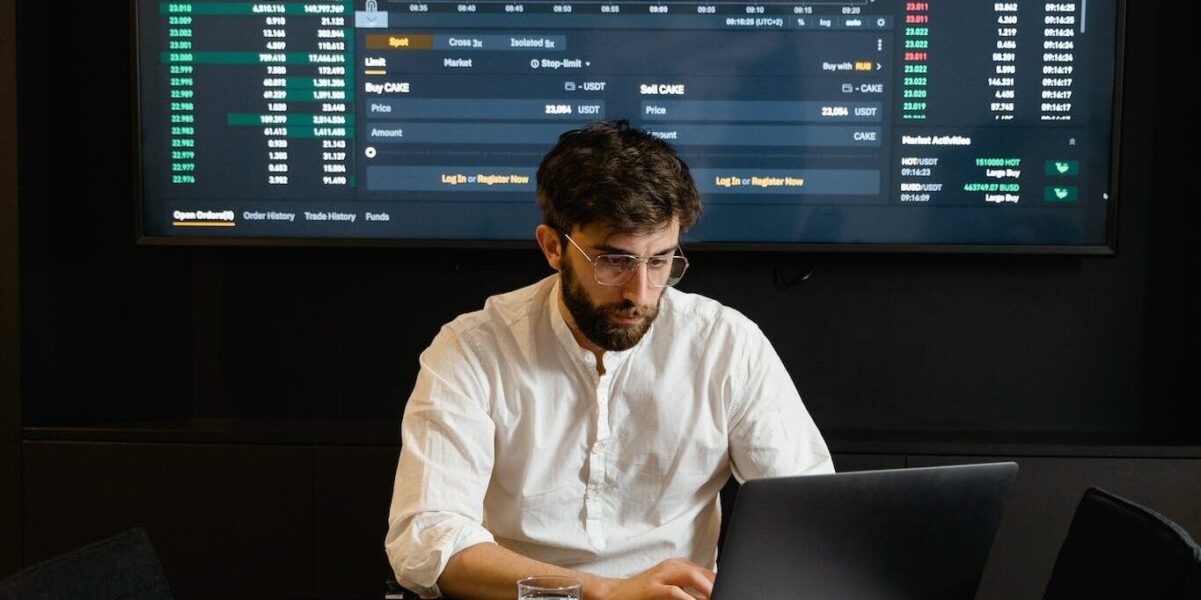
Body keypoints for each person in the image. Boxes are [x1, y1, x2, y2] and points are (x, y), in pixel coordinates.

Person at [385, 120, 832, 600]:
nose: (639, 293)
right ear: (553, 247)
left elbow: (810, 518)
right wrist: (599, 592)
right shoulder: (471, 349)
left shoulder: (727, 345)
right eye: (614, 262)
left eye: (660, 261)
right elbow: (426, 538)